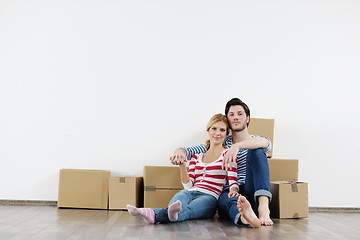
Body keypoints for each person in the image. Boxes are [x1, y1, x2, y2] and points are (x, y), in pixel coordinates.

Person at [171, 98, 273, 226]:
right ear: (228, 121)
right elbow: (188, 150)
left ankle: (263, 209)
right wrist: (179, 152)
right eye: (231, 115)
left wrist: (237, 146)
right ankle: (245, 218)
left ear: (247, 118)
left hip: (251, 188)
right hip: (230, 189)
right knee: (227, 199)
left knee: (257, 151)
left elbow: (266, 143)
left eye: (240, 114)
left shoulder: (256, 140)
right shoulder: (221, 141)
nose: (236, 117)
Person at [126, 114, 240, 224]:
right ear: (208, 131)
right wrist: (182, 165)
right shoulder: (197, 156)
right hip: (189, 192)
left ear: (226, 134)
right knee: (175, 205)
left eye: (222, 130)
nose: (217, 133)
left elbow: (233, 181)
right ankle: (159, 214)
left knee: (188, 210)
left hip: (210, 196)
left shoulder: (228, 155)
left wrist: (234, 191)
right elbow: (188, 186)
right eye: (214, 129)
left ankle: (150, 212)